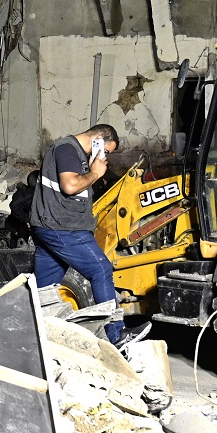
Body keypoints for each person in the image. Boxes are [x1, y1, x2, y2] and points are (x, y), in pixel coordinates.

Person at [29, 124, 126, 344]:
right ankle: (116, 335)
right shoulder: (67, 149)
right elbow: (71, 186)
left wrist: (96, 173)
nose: (104, 155)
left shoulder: (78, 155)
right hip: (61, 227)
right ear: (98, 139)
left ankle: (39, 340)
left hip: (51, 226)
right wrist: (95, 172)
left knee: (46, 288)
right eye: (106, 150)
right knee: (100, 269)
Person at [6, 170, 39, 247]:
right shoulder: (28, 195)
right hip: (19, 225)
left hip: (21, 223)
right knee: (20, 244)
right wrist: (26, 219)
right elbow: (14, 205)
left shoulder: (26, 192)